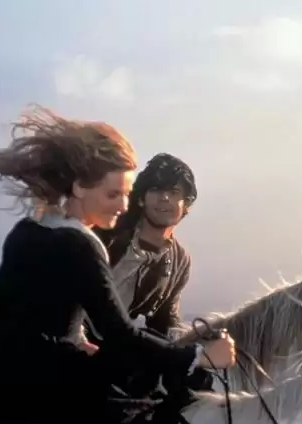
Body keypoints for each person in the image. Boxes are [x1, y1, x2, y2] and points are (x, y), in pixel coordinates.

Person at [0, 105, 236, 424]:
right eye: (114, 194)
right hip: (46, 380)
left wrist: (70, 336)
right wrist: (198, 355)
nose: (124, 206)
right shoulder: (81, 244)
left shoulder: (28, 229)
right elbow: (119, 333)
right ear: (79, 187)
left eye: (125, 194)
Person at [86, 153, 215, 392]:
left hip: (121, 353)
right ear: (141, 198)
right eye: (156, 190)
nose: (164, 198)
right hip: (77, 346)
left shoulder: (179, 260)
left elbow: (165, 322)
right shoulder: (105, 236)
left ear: (186, 204)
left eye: (174, 192)